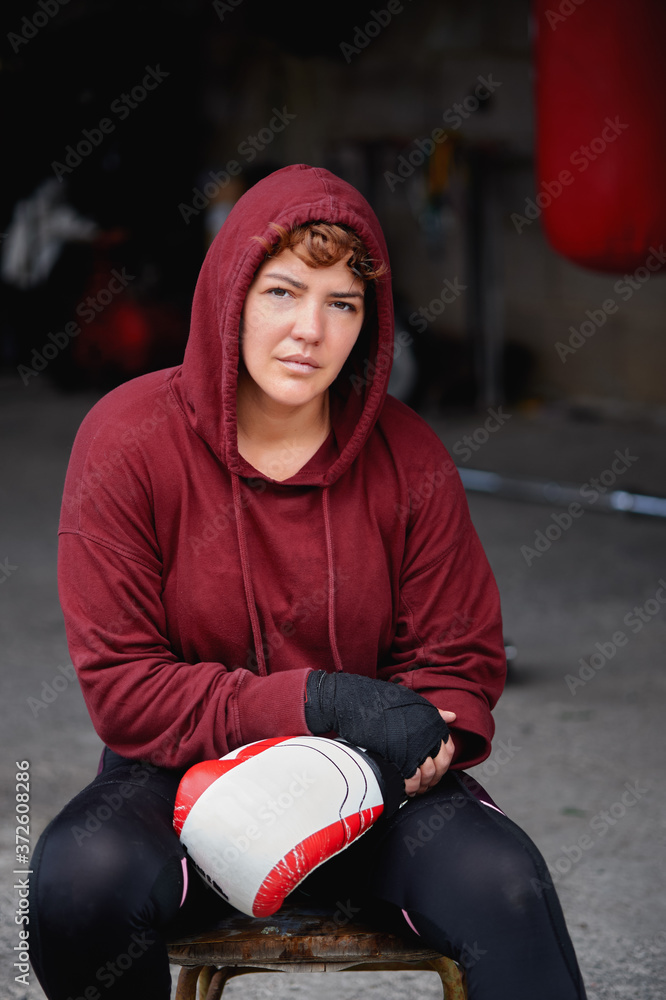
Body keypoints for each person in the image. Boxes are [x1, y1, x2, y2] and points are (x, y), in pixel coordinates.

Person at [29, 164, 587, 999]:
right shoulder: (127, 441)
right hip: (177, 783)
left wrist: (433, 732)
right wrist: (321, 699)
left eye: (343, 304)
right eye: (283, 292)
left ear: (369, 325)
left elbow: (457, 654)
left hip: (370, 785)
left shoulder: (408, 454)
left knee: (506, 889)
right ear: (230, 297)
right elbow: (126, 690)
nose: (309, 330)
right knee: (78, 882)